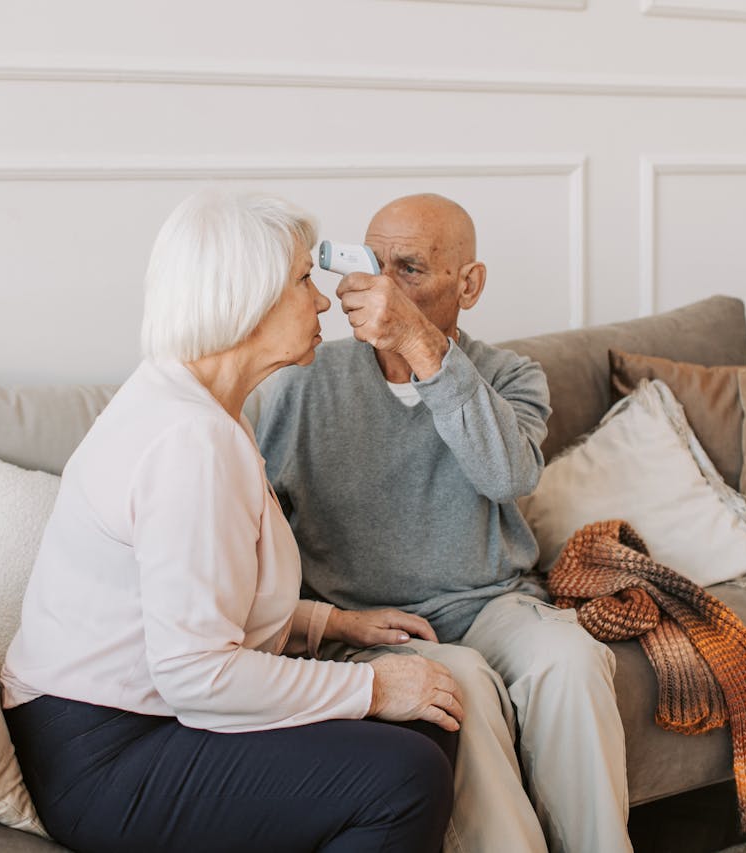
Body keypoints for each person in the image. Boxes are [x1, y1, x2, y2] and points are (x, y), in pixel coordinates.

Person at [0, 191, 466, 853]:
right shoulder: (189, 441)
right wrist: (372, 683)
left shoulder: (199, 405)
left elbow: (198, 597)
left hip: (133, 719)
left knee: (427, 723)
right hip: (107, 754)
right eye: (305, 280)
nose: (325, 301)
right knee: (406, 774)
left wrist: (328, 623)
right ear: (246, 298)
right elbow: (195, 674)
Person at [252, 193, 633, 853]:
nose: (385, 289)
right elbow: (254, 529)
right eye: (374, 266)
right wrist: (322, 624)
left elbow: (508, 475)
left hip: (493, 601)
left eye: (410, 270)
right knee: (461, 685)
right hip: (373, 618)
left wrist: (421, 347)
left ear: (469, 284)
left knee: (572, 660)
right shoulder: (303, 381)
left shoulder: (511, 376)